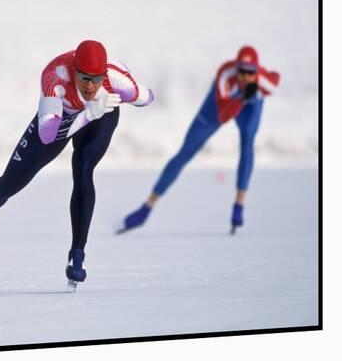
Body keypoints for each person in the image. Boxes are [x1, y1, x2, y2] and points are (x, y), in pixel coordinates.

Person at [0, 40, 154, 289]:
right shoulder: (55, 77)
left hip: (102, 114)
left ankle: (77, 255)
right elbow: (49, 134)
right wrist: (88, 113)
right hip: (61, 118)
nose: (90, 86)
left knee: (83, 167)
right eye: (84, 78)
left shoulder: (116, 80)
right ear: (74, 71)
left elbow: (147, 97)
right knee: (11, 183)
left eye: (96, 79)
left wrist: (125, 97)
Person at [119, 46, 280, 235]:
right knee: (185, 153)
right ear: (235, 68)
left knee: (248, 142)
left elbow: (276, 79)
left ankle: (239, 204)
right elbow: (223, 115)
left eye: (249, 72)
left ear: (256, 71)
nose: (245, 77)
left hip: (249, 107)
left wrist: (252, 96)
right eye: (241, 71)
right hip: (221, 107)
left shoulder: (262, 81)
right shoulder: (225, 75)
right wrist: (242, 98)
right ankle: (147, 207)